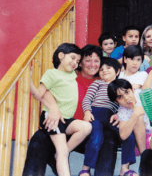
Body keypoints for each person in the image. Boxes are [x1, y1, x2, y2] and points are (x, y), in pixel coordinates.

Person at [23, 44, 119, 176]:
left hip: (89, 134)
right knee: (39, 137)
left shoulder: (104, 82)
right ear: (80, 63)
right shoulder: (70, 75)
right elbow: (46, 91)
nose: (92, 64)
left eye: (97, 61)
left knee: (109, 137)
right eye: (87, 60)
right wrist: (54, 108)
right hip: (66, 127)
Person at [29, 43, 92, 176]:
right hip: (52, 118)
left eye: (78, 61)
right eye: (72, 58)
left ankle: (59, 155)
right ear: (61, 56)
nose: (75, 63)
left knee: (86, 127)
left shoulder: (72, 75)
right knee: (62, 151)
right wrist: (28, 82)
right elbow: (39, 95)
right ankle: (62, 157)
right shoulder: (51, 74)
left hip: (66, 119)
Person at [81, 57, 136, 176]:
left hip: (112, 117)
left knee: (128, 136)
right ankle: (85, 168)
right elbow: (87, 99)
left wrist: (117, 114)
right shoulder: (97, 83)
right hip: (95, 115)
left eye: (108, 68)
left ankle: (125, 169)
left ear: (117, 72)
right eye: (101, 69)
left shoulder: (120, 87)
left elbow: (123, 105)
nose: (104, 70)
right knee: (96, 138)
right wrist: (87, 112)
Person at [108, 78, 152, 157]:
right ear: (116, 102)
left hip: (151, 137)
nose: (126, 98)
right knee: (138, 117)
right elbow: (123, 136)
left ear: (133, 90)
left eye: (127, 92)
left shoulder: (141, 97)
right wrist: (134, 115)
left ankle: (145, 157)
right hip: (136, 146)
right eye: (120, 97)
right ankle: (144, 157)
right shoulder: (122, 111)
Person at [119, 45, 149, 155]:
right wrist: (133, 87)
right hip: (122, 111)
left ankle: (143, 154)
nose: (135, 63)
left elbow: (148, 92)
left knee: (138, 116)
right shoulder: (119, 75)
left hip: (140, 110)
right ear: (125, 59)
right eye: (132, 59)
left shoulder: (143, 74)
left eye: (138, 59)